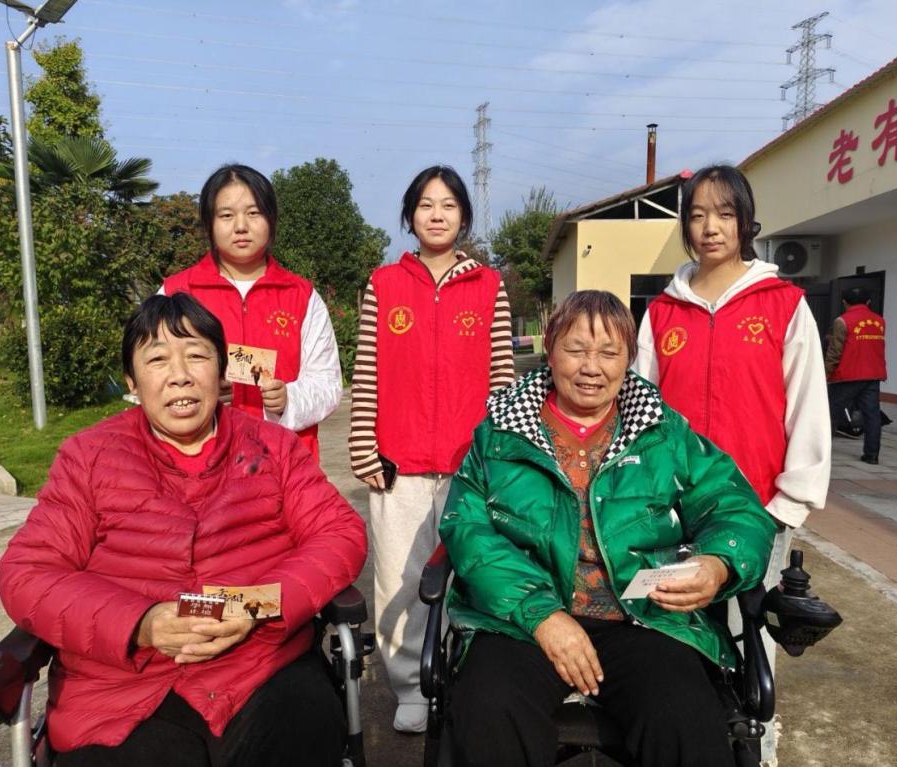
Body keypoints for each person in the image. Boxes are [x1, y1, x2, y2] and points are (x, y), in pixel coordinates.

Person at [0, 294, 367, 766]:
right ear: (132, 381)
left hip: (257, 665)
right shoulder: (87, 458)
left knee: (303, 727)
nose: (180, 375)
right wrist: (141, 624)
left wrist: (254, 605)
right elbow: (28, 573)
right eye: (157, 360)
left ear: (221, 370)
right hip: (122, 688)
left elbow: (339, 532)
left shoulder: (273, 447)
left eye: (196, 355)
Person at [441, 290, 776, 767]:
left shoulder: (663, 432)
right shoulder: (499, 434)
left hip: (642, 617)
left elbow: (737, 507)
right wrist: (542, 616)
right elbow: (467, 529)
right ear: (550, 350)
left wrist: (719, 562)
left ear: (629, 359)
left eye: (608, 353)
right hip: (520, 619)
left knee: (684, 717)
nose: (591, 368)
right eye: (576, 349)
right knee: (489, 709)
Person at [634, 164, 830, 765]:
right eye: (697, 215)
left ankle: (756, 750)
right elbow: (639, 411)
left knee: (750, 641)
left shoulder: (783, 305)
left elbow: (807, 406)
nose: (710, 227)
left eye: (724, 214)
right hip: (672, 512)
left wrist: (787, 505)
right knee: (674, 627)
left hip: (756, 510)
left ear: (746, 222)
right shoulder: (662, 313)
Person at [348, 165, 514, 733]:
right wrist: (364, 447)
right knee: (400, 578)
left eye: (447, 205)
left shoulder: (488, 286)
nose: (436, 214)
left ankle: (465, 678)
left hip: (471, 466)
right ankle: (411, 687)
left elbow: (502, 378)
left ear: (463, 216)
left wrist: (500, 453)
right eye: (425, 204)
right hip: (400, 465)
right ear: (410, 215)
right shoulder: (384, 284)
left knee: (475, 574)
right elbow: (366, 372)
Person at [162, 163, 342, 461]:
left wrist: (287, 400)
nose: (241, 226)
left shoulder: (302, 296)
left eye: (254, 213)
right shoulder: (175, 293)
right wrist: (199, 393)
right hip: (199, 460)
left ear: (271, 219)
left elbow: (327, 383)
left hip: (284, 461)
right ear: (209, 223)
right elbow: (153, 376)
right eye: (226, 215)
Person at [825, 287, 887, 464]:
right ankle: (872, 455)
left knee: (831, 413)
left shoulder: (842, 321)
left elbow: (835, 352)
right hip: (873, 375)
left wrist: (825, 374)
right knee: (872, 415)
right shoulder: (879, 321)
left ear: (844, 302)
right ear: (868, 302)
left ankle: (822, 454)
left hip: (848, 375)